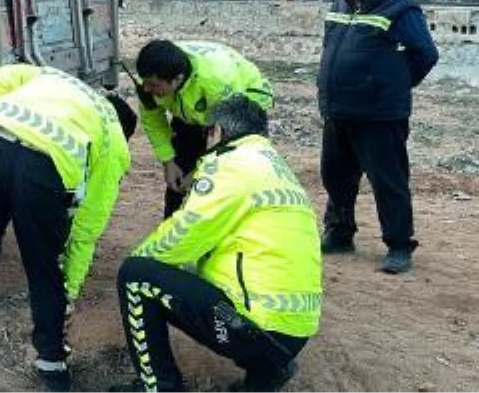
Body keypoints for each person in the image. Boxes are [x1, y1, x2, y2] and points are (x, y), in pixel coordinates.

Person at [0, 64, 138, 393]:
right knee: (44, 270)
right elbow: (86, 229)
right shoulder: (113, 137)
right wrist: (70, 292)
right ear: (123, 127)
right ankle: (52, 368)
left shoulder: (55, 77)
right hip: (40, 170)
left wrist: (2, 113)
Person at [110, 96, 322, 393]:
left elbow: (184, 234)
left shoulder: (231, 165)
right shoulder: (274, 167)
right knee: (199, 271)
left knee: (135, 275)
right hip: (291, 333)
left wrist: (142, 263)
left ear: (217, 132)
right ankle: (264, 374)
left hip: (256, 328)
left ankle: (159, 388)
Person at [318, 0, 439, 274]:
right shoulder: (339, 4)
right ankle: (340, 233)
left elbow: (426, 55)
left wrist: (392, 86)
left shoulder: (401, 10)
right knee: (336, 177)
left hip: (380, 115)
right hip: (338, 111)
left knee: (388, 181)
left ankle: (399, 245)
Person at [134, 40, 273, 218]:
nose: (146, 89)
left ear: (177, 79)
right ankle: (174, 226)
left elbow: (228, 139)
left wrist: (201, 172)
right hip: (192, 105)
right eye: (145, 83)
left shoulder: (216, 83)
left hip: (242, 103)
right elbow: (152, 120)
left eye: (153, 85)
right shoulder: (150, 77)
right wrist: (168, 161)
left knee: (231, 171)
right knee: (182, 167)